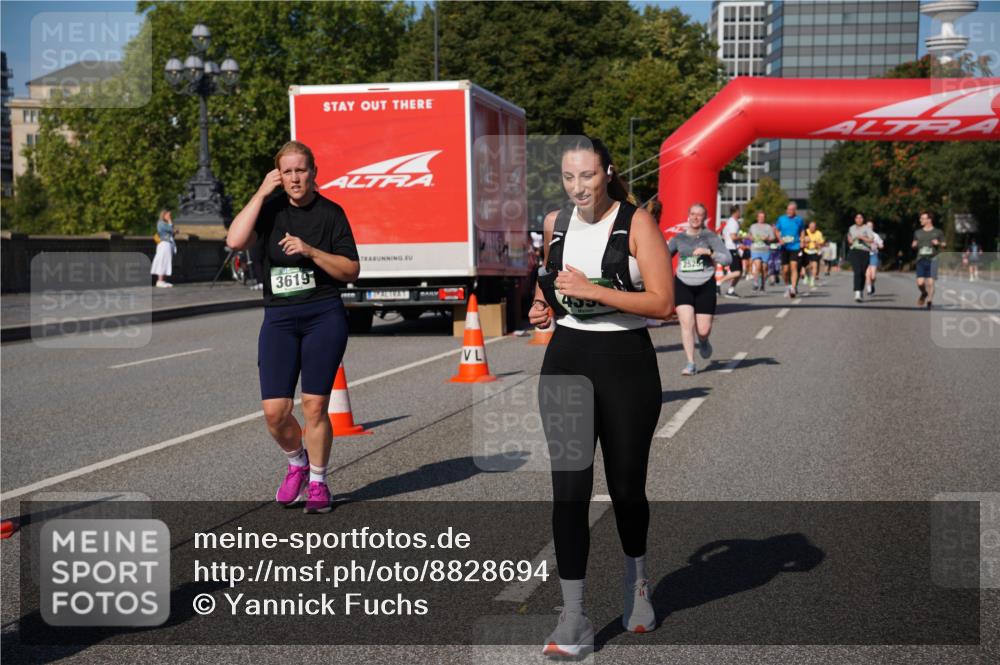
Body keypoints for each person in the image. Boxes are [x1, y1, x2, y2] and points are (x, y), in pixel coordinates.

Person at [529, 137, 672, 657]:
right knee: (569, 489)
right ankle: (573, 617)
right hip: (566, 360)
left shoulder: (637, 223)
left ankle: (637, 582)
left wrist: (594, 291)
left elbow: (662, 301)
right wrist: (542, 306)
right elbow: (550, 283)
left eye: (587, 176)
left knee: (626, 489)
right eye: (569, 178)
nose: (578, 187)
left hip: (626, 366)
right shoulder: (555, 224)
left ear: (607, 172)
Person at [226, 140, 361, 514]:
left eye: (301, 170)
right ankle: (297, 463)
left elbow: (351, 270)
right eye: (287, 171)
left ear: (314, 172)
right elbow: (235, 241)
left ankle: (318, 482)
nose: (295, 177)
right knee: (275, 411)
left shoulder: (331, 213)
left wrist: (311, 251)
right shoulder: (269, 211)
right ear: (278, 176)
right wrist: (260, 193)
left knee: (315, 406)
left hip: (323, 315)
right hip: (280, 319)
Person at [668, 203, 731, 376]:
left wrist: (709, 252)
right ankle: (690, 362)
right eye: (693, 214)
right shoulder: (679, 238)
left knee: (703, 330)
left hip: (705, 284)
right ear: (688, 216)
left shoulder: (710, 237)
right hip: (682, 283)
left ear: (704, 218)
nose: (696, 217)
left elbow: (727, 259)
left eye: (700, 215)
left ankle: (703, 340)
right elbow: (664, 255)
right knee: (686, 324)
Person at [912, 211, 945, 309]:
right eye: (920, 218)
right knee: (920, 283)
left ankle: (930, 301)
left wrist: (938, 243)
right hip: (920, 259)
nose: (920, 220)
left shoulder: (938, 232)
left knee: (931, 282)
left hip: (933, 259)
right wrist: (914, 245)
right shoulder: (917, 232)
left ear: (929, 220)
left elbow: (944, 244)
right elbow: (914, 243)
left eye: (922, 218)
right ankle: (924, 293)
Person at [775, 202, 805, 298]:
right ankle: (787, 286)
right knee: (785, 270)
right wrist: (780, 240)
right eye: (788, 209)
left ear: (795, 210)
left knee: (794, 267)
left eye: (792, 210)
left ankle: (793, 287)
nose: (790, 211)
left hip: (795, 246)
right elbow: (776, 230)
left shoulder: (799, 220)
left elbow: (802, 231)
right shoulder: (781, 219)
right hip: (784, 247)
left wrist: (802, 241)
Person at [846, 213, 874, 302]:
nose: (859, 219)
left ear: (863, 219)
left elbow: (871, 239)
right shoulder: (851, 228)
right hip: (854, 251)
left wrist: (862, 237)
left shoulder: (867, 228)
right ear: (855, 219)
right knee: (857, 271)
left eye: (861, 218)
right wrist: (850, 240)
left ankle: (861, 290)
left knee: (862, 273)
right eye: (857, 218)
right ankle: (857, 292)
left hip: (865, 251)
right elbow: (849, 239)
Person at [717, 205, 743, 299]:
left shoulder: (729, 222)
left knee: (740, 272)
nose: (740, 213)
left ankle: (730, 291)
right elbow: (733, 237)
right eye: (739, 212)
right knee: (737, 272)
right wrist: (744, 237)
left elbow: (724, 236)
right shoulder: (733, 223)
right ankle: (719, 282)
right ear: (736, 212)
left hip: (732, 248)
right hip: (731, 249)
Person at [748, 210, 775, 292]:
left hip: (765, 250)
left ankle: (763, 284)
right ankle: (756, 283)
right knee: (758, 265)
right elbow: (749, 235)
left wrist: (767, 239)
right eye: (760, 217)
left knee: (764, 268)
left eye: (763, 217)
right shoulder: (753, 226)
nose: (761, 218)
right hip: (755, 249)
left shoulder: (768, 227)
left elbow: (773, 238)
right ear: (757, 218)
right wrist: (750, 237)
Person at [151, 209, 175, 287]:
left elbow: (172, 230)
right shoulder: (161, 223)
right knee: (162, 261)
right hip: (164, 244)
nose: (170, 217)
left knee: (166, 261)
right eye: (168, 215)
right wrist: (170, 221)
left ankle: (162, 280)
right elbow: (171, 229)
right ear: (164, 215)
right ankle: (160, 280)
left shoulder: (164, 223)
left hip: (167, 244)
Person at [801, 219, 825, 289]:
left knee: (815, 266)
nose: (812, 228)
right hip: (806, 251)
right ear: (808, 226)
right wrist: (805, 242)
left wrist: (818, 243)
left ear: (815, 227)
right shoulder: (806, 232)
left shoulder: (819, 233)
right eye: (811, 227)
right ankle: (806, 276)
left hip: (815, 251)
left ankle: (812, 280)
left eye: (814, 227)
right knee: (807, 266)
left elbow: (822, 242)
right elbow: (802, 240)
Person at [864, 218, 884, 296]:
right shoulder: (863, 235)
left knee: (873, 276)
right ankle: (869, 289)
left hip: (874, 255)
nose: (869, 227)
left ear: (873, 227)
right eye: (868, 226)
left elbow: (882, 245)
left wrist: (878, 245)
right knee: (867, 274)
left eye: (871, 226)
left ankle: (872, 285)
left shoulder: (875, 236)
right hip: (865, 255)